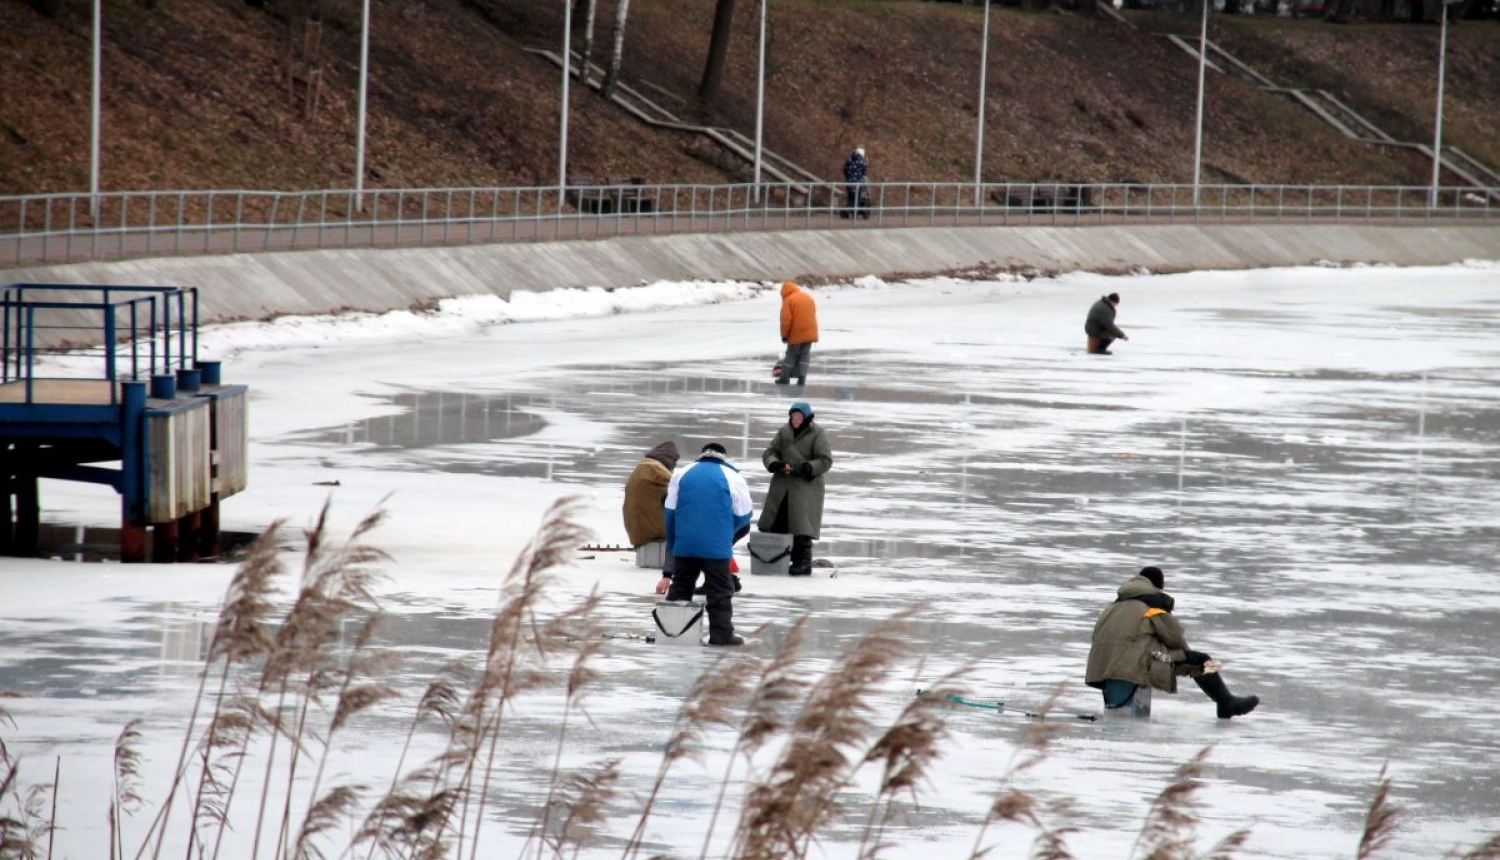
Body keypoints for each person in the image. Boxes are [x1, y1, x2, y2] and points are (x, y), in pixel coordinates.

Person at [1085, 567, 1260, 719]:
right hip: (1133, 665)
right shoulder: (1152, 604)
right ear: (1158, 586)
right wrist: (1185, 657)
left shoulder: (1113, 606)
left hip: (1102, 668)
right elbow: (1175, 639)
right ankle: (1226, 702)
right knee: (1202, 661)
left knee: (1145, 658)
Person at [664, 442, 754, 646]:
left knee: (681, 586)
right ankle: (721, 635)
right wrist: (726, 534)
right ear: (723, 456)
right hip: (716, 547)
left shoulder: (682, 473)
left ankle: (673, 631)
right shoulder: (733, 477)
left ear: (702, 454)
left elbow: (669, 512)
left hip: (685, 544)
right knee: (719, 591)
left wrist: (673, 541)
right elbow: (744, 514)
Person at [758, 402, 833, 577]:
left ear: (806, 418)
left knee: (801, 527)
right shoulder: (784, 431)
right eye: (793, 417)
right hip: (782, 486)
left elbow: (825, 460)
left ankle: (802, 563)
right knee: (776, 522)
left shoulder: (818, 433)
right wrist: (775, 463)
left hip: (805, 488)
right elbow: (769, 452)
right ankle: (776, 558)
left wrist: (806, 468)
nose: (796, 420)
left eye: (799, 417)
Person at [622, 441, 679, 594]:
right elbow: (678, 490)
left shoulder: (645, 465)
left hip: (636, 526)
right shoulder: (656, 470)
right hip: (648, 528)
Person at [776, 281, 819, 386]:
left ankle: (784, 378)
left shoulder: (789, 300)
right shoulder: (807, 297)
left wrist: (784, 335)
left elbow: (786, 321)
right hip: (810, 331)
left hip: (796, 332)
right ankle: (802, 378)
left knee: (791, 354)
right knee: (805, 355)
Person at [842, 146, 869, 220]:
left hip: (848, 182)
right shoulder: (862, 162)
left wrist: (848, 176)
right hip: (857, 182)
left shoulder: (849, 160)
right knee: (857, 197)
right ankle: (854, 212)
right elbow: (865, 173)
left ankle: (847, 211)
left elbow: (844, 170)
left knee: (850, 196)